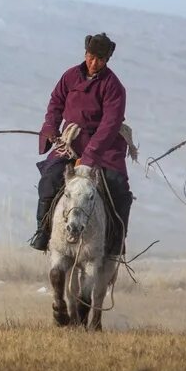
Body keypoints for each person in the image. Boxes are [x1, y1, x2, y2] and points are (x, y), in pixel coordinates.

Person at [30, 33, 133, 258]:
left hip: (105, 145)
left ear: (107, 60)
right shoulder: (69, 76)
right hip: (71, 140)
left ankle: (116, 243)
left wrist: (89, 158)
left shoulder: (114, 86)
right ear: (85, 54)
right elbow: (55, 103)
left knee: (118, 187)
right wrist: (50, 128)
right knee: (49, 178)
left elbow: (110, 123)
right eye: (90, 56)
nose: (93, 63)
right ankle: (42, 231)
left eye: (99, 59)